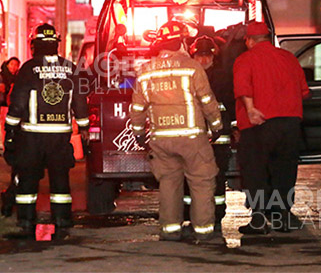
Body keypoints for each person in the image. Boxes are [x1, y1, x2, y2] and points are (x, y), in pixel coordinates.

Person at [130, 20, 222, 242]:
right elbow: (207, 100)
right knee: (201, 182)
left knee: (169, 183)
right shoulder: (191, 67)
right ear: (180, 41)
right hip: (191, 138)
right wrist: (217, 126)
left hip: (162, 139)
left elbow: (137, 107)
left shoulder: (145, 70)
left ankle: (170, 230)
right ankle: (203, 231)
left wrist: (139, 132)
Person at [3, 23, 89, 238]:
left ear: (35, 44)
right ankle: (62, 218)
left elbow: (18, 102)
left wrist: (10, 129)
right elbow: (79, 102)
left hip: (32, 136)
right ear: (56, 44)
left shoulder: (29, 68)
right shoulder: (70, 68)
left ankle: (26, 220)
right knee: (60, 179)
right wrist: (85, 128)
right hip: (60, 136)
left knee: (29, 179)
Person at [234, 21, 310, 234]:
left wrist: (250, 109)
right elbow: (304, 91)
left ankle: (258, 219)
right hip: (289, 125)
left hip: (259, 123)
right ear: (268, 38)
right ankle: (282, 217)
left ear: (249, 41)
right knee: (284, 170)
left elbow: (242, 87)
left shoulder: (245, 59)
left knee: (255, 171)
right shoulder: (289, 58)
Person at [186, 35, 235, 231]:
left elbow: (231, 105)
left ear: (214, 56)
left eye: (207, 55)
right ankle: (190, 215)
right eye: (200, 55)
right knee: (190, 178)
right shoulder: (187, 75)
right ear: (193, 56)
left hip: (218, 140)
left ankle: (216, 215)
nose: (204, 59)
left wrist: (233, 128)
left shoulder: (223, 76)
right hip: (194, 138)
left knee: (216, 178)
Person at [0, 56, 21, 217]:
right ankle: (11, 201)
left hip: (21, 136)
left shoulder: (19, 90)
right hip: (25, 137)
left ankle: (9, 202)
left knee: (19, 172)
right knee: (21, 173)